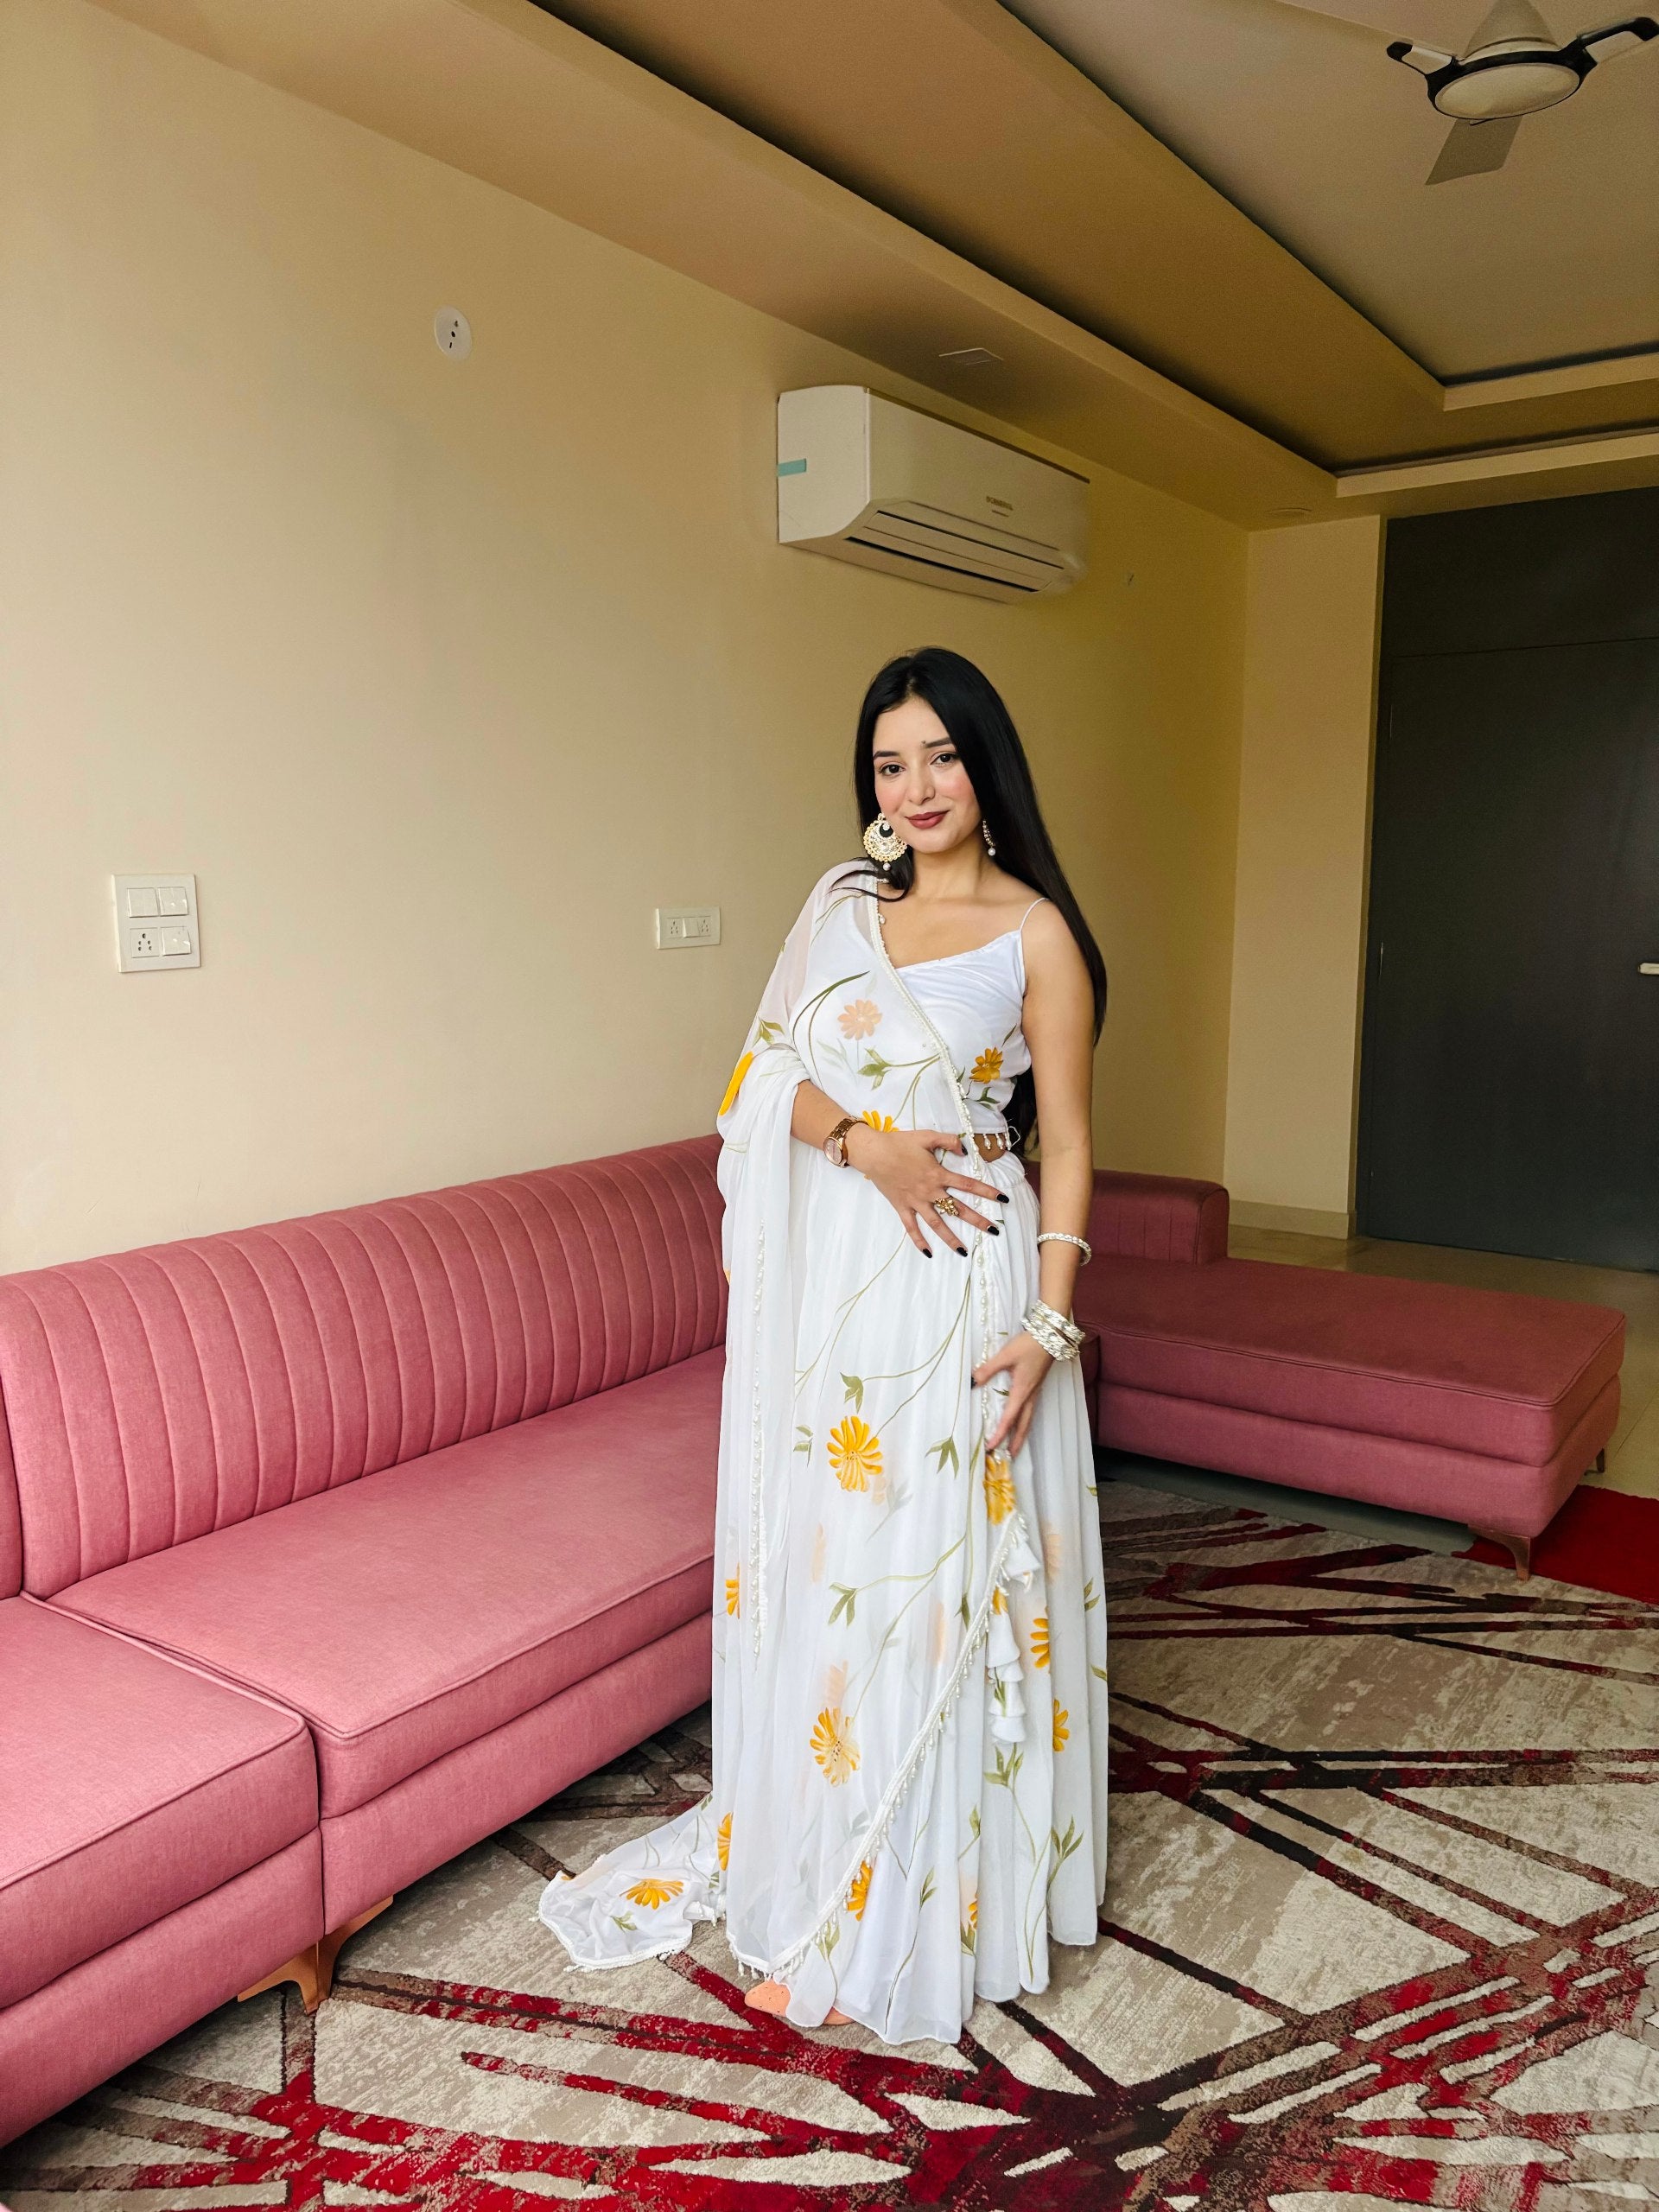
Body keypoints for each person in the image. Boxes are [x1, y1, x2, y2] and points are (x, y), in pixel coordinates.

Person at [540, 646, 1109, 2044]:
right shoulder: (840, 907)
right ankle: (828, 1856)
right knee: (846, 1565)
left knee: (945, 1577)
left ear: (987, 764)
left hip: (966, 1282)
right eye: (889, 764)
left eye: (942, 757)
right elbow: (761, 1078)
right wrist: (865, 1147)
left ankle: (907, 1911)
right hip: (845, 1287)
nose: (917, 788)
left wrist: (1049, 1329)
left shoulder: (1035, 935)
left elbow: (1073, 1145)